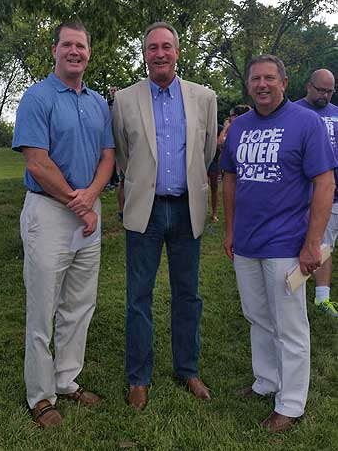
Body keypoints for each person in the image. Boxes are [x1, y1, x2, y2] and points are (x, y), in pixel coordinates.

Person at [220, 55, 336, 432]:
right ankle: (266, 382)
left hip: (287, 243)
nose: (262, 84)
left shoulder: (307, 123)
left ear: (285, 83)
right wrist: (230, 231)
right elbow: (230, 180)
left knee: (290, 326)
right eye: (256, 79)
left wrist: (313, 243)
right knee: (257, 317)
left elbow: (324, 183)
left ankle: (290, 403)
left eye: (270, 78)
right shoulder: (239, 127)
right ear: (249, 85)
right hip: (248, 244)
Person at [12, 21, 115, 428]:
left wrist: (90, 198)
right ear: (55, 50)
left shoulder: (98, 103)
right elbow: (37, 161)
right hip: (49, 213)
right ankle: (40, 396)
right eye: (68, 44)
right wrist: (79, 201)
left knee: (79, 303)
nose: (75, 51)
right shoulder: (36, 98)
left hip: (87, 212)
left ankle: (67, 380)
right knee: (43, 307)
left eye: (82, 46)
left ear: (89, 53)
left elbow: (109, 155)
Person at [112, 21, 217, 410]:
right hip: (146, 213)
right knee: (139, 297)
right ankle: (138, 378)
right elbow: (124, 155)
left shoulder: (204, 97)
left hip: (187, 209)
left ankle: (187, 369)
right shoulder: (124, 100)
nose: (159, 53)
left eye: (166, 47)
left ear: (177, 51)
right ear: (145, 53)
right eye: (152, 47)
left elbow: (206, 153)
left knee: (187, 295)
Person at [295, 69, 338, 316]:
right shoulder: (294, 112)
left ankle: (321, 297)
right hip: (311, 193)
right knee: (320, 244)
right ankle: (322, 297)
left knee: (325, 245)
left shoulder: (336, 113)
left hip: (336, 188)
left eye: (330, 91)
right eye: (321, 90)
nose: (325, 95)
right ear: (308, 86)